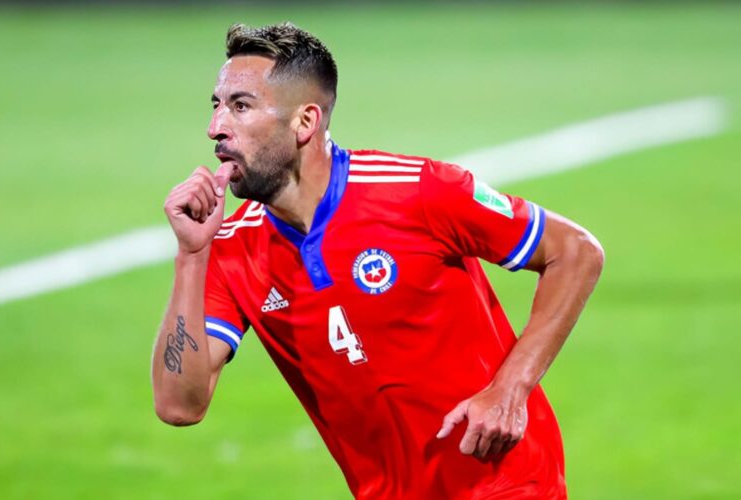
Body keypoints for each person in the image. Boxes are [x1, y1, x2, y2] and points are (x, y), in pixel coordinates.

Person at [151, 22, 604, 499]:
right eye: (217, 106)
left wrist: (511, 387)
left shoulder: (418, 191)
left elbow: (575, 251)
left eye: (240, 106)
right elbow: (178, 405)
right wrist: (191, 255)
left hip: (507, 485)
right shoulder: (231, 249)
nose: (215, 127)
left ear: (305, 122)